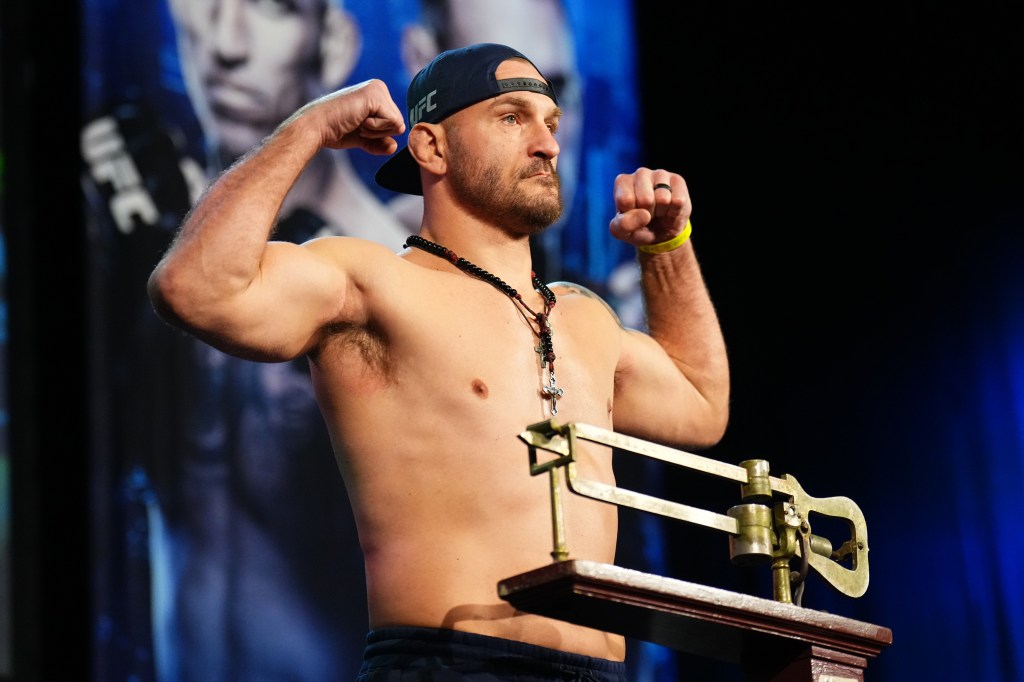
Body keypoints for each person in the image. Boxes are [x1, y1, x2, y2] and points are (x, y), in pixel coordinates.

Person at [148, 43, 730, 680]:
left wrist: (668, 248)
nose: (547, 145)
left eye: (551, 122)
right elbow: (195, 289)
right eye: (512, 118)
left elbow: (701, 408)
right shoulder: (371, 283)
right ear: (431, 148)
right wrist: (307, 126)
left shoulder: (585, 318)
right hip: (450, 663)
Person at [82, 0, 411, 679]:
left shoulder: (390, 274)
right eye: (205, 5)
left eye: (270, 9)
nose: (224, 45)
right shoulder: (147, 245)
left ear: (335, 42)